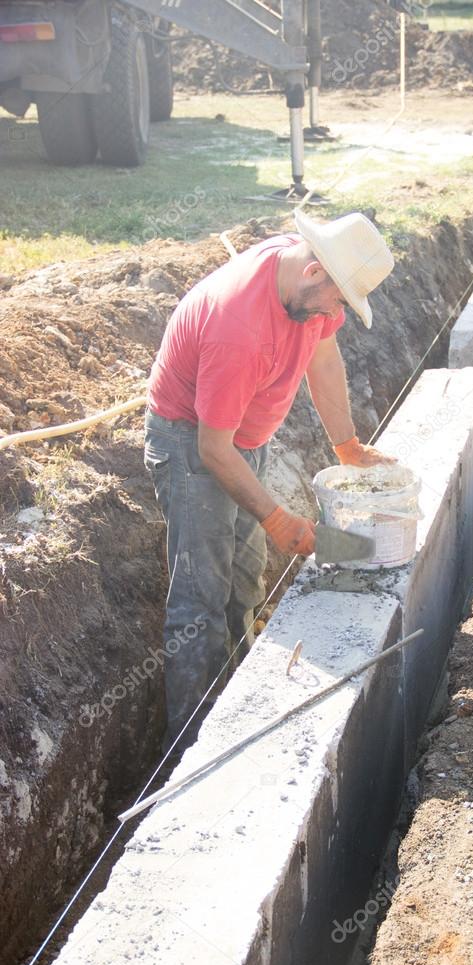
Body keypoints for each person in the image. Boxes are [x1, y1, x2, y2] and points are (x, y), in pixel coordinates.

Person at [144, 209, 395, 744]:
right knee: (201, 599)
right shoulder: (239, 326)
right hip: (193, 442)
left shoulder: (308, 287)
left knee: (243, 580)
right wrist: (279, 518)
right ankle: (188, 746)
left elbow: (323, 357)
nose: (337, 313)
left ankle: (237, 697)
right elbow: (213, 449)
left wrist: (346, 445)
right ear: (313, 274)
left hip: (242, 438)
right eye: (336, 300)